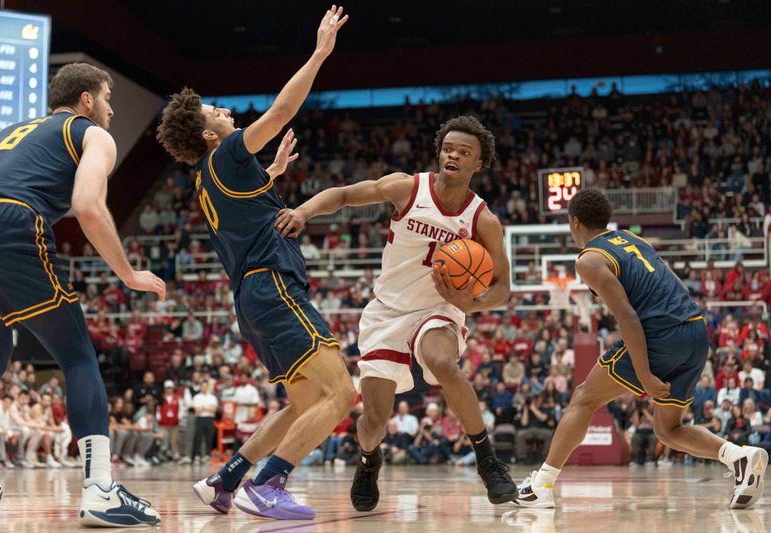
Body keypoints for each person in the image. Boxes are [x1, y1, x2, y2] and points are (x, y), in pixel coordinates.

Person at [157, 7, 355, 521]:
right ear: (208, 136)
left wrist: (271, 172)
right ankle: (269, 483)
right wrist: (319, 54)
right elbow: (281, 112)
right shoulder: (225, 156)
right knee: (340, 392)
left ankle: (226, 480)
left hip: (253, 298)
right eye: (216, 113)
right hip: (274, 287)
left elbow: (244, 217)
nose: (225, 113)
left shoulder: (210, 178)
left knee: (302, 402)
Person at [276, 114, 518, 511]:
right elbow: (342, 195)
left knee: (443, 361)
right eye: (448, 148)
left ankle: (488, 461)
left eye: (464, 152)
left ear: (479, 163)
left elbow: (502, 288)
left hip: (439, 308)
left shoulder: (483, 220)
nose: (453, 155)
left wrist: (469, 304)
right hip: (387, 312)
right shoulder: (408, 188)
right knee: (373, 420)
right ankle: (370, 459)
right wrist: (303, 213)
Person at [0, 62, 164, 525]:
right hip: (13, 223)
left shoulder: (3, 135)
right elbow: (87, 206)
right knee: (77, 356)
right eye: (108, 99)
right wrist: (128, 272)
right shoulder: (91, 134)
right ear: (86, 101)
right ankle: (100, 490)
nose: (112, 111)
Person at [510, 188, 767, 510]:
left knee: (584, 397)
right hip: (696, 330)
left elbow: (628, 317)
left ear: (573, 222)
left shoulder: (590, 259)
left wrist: (644, 374)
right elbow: (676, 284)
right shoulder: (636, 242)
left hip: (661, 335)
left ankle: (541, 486)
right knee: (668, 430)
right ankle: (738, 457)